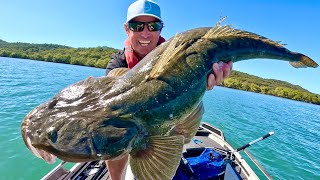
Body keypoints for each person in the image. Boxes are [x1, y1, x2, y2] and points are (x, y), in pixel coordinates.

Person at [105, 0, 233, 179]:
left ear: (161, 29)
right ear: (127, 29)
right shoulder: (118, 63)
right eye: (137, 25)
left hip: (171, 119)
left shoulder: (180, 56)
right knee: (113, 138)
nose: (146, 33)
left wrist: (207, 80)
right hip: (135, 122)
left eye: (153, 25)